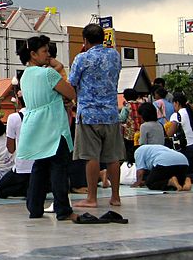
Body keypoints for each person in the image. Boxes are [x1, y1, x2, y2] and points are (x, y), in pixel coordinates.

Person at [15, 35, 78, 222]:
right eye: (44, 51)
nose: (48, 54)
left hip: (35, 125)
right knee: (59, 168)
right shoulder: (48, 73)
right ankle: (63, 209)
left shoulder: (24, 76)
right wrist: (58, 68)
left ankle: (34, 208)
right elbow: (70, 92)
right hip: (53, 124)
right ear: (33, 54)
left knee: (39, 167)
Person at [69, 23, 122, 209]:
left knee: (92, 156)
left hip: (89, 114)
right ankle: (115, 197)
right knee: (113, 157)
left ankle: (92, 198)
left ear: (85, 40)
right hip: (111, 113)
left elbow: (72, 82)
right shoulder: (115, 56)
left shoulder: (82, 58)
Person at [0, 91, 32, 198]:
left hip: (22, 166)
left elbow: (11, 148)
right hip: (41, 166)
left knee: (1, 191)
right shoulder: (41, 114)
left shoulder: (14, 118)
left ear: (19, 103)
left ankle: (27, 190)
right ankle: (35, 188)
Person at [168, 92, 193, 171]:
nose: (173, 106)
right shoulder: (190, 113)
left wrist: (166, 134)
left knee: (184, 175)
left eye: (174, 104)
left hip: (185, 148)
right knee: (190, 172)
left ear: (177, 103)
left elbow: (171, 132)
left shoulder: (176, 115)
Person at [118, 88, 143, 163]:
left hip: (130, 133)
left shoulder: (126, 107)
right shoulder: (141, 105)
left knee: (130, 150)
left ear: (125, 97)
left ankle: (131, 163)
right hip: (141, 132)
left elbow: (122, 118)